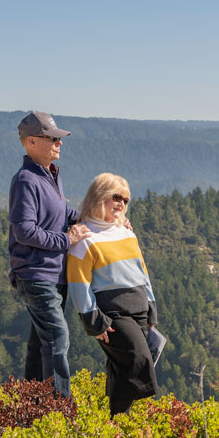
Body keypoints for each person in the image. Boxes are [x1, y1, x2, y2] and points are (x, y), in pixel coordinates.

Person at [8, 111, 89, 400]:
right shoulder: (26, 181)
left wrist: (97, 220)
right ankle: (58, 412)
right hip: (36, 275)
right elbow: (24, 231)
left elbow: (59, 215)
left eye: (59, 138)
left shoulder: (50, 176)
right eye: (52, 138)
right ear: (31, 142)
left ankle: (30, 407)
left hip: (53, 275)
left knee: (40, 343)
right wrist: (66, 239)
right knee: (57, 337)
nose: (59, 143)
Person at [67, 173, 159, 415]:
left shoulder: (127, 233)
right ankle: (130, 418)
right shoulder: (84, 238)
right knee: (138, 359)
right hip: (113, 314)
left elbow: (142, 270)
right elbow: (79, 283)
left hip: (139, 310)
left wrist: (151, 306)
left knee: (122, 369)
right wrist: (93, 320)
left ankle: (117, 425)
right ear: (99, 197)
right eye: (116, 196)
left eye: (126, 200)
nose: (121, 204)